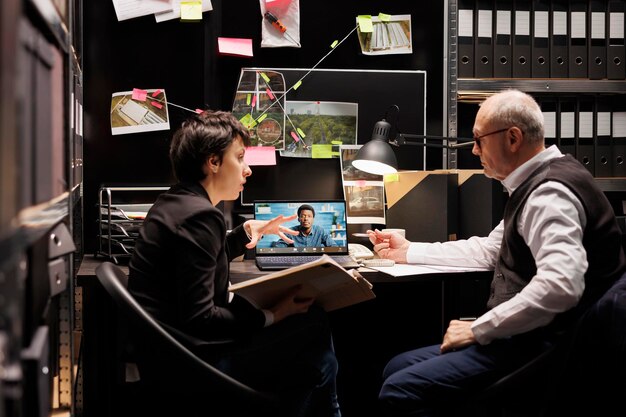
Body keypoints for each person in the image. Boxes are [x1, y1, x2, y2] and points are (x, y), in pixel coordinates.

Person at [368, 89, 626, 417]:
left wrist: (478, 328)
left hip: (547, 345)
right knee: (396, 367)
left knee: (400, 389)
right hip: (526, 334)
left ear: (513, 138)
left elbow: (560, 286)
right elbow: (491, 250)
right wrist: (408, 251)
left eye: (478, 140)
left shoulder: (548, 196)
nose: (474, 150)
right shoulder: (534, 184)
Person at [128, 110, 341, 417]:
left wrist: (244, 233)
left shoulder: (173, 203)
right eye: (240, 157)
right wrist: (272, 314)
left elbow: (196, 262)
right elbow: (201, 318)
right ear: (213, 162)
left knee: (321, 362)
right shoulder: (202, 215)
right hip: (196, 363)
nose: (248, 169)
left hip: (167, 355)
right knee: (315, 324)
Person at [272, 204, 337, 248]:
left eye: (309, 216)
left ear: (313, 219)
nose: (306, 219)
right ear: (298, 219)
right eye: (303, 216)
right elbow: (278, 247)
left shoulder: (320, 231)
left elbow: (333, 246)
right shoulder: (291, 232)